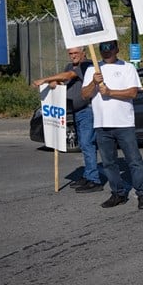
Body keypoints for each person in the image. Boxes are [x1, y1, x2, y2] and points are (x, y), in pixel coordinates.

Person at [81, 40, 143, 210]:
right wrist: (93, 82)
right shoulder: (93, 69)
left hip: (124, 123)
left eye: (110, 48)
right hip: (102, 124)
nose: (106, 51)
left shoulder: (127, 68)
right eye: (103, 48)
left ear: (117, 49)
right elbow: (84, 95)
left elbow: (133, 92)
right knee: (108, 163)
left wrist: (110, 92)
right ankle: (118, 193)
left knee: (134, 160)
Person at [33, 46, 102, 193]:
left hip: (87, 110)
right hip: (76, 111)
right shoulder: (69, 66)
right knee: (83, 145)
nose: (73, 56)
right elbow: (64, 81)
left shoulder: (86, 65)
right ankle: (88, 175)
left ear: (84, 53)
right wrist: (54, 83)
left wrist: (46, 79)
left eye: (76, 53)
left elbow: (69, 76)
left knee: (87, 144)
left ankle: (94, 180)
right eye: (70, 53)